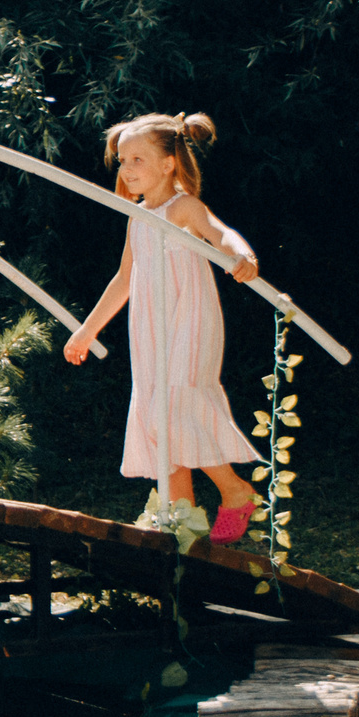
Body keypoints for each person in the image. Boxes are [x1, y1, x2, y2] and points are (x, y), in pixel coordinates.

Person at [62, 112, 264, 543]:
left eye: (137, 159)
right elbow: (124, 280)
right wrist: (87, 330)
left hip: (189, 319)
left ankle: (235, 490)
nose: (127, 169)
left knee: (177, 405)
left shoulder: (182, 206)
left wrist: (243, 255)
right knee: (155, 412)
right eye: (122, 160)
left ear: (169, 163)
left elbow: (220, 233)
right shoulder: (137, 216)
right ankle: (181, 515)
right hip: (152, 327)